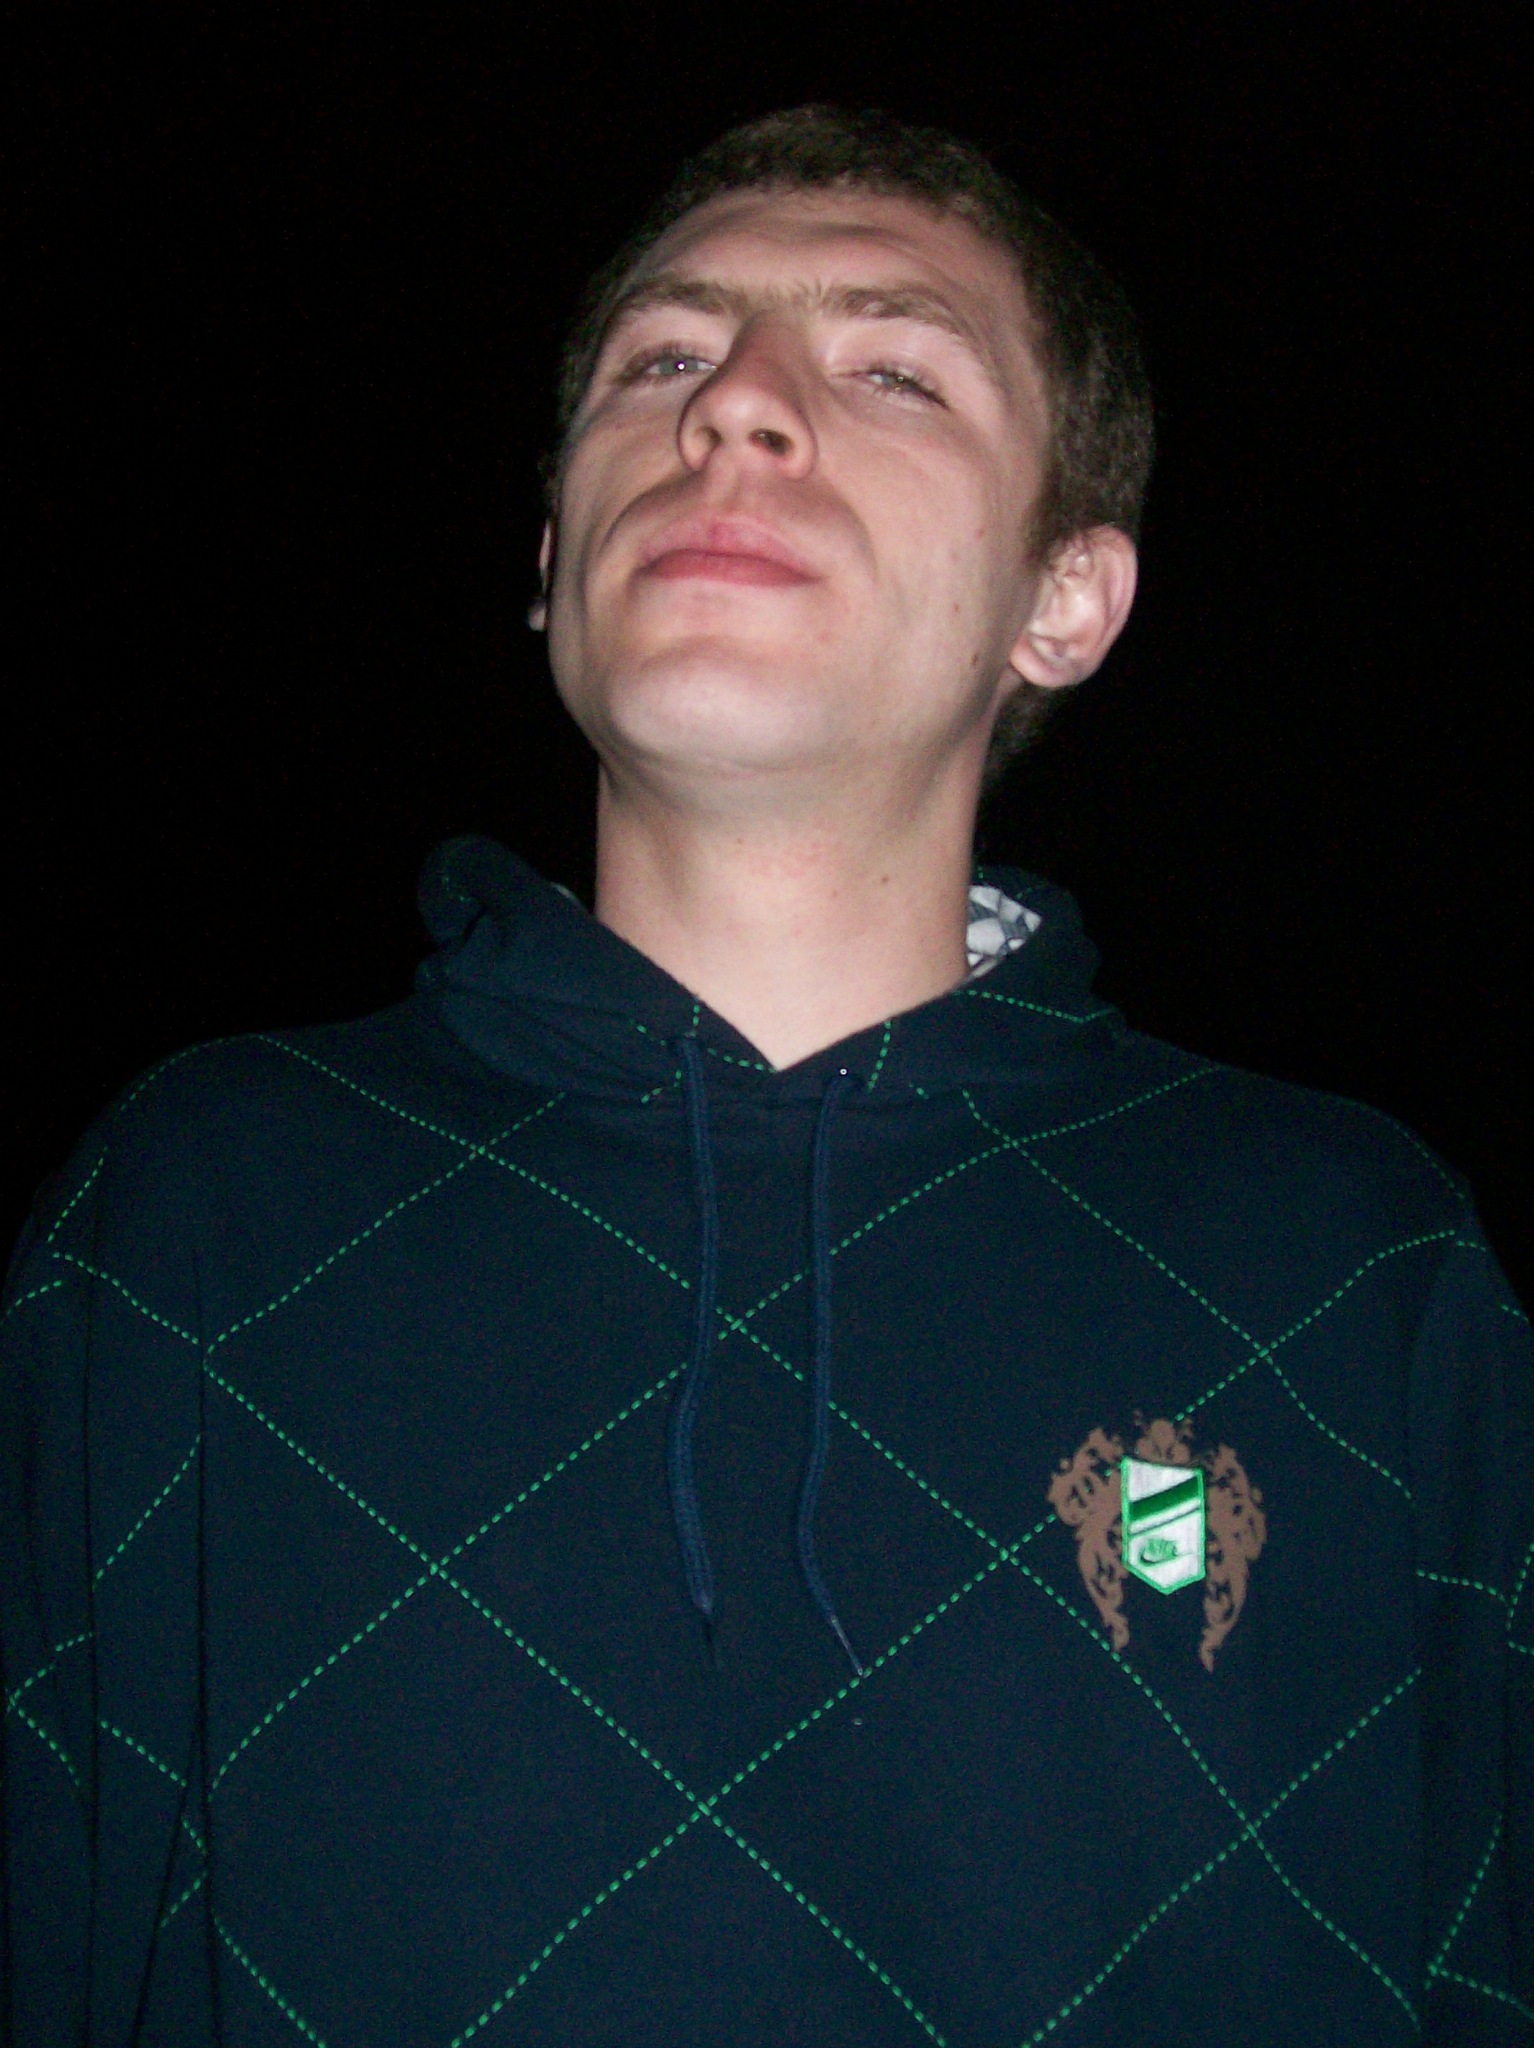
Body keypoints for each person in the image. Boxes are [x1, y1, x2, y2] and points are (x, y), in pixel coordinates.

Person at [2, 104, 1528, 2047]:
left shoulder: (1343, 1252)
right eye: (661, 359)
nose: (732, 408)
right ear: (549, 557)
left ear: (1060, 599)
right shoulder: (202, 1201)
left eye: (890, 370)